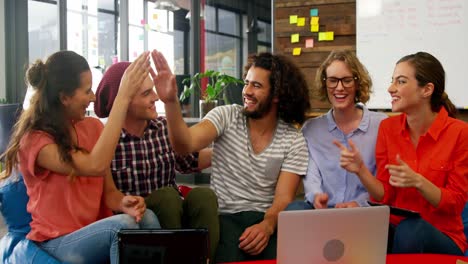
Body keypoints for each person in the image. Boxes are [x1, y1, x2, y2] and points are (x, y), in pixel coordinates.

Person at [0, 50, 161, 264]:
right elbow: (94, 165)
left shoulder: (93, 127)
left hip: (93, 232)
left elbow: (110, 193)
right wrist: (122, 97)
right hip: (56, 242)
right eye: (87, 91)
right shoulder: (36, 142)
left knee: (147, 218)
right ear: (64, 97)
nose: (93, 97)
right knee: (122, 227)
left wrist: (124, 202)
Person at [150, 50, 311, 262]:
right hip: (224, 218)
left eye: (257, 85)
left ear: (277, 95)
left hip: (265, 220)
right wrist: (171, 102)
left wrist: (267, 225)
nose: (247, 91)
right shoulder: (226, 116)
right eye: (247, 83)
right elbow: (185, 145)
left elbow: (283, 198)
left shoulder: (293, 139)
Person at [335, 51, 468, 255]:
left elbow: (455, 204)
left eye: (401, 81)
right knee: (354, 227)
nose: (391, 88)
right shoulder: (388, 128)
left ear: (427, 90)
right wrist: (360, 170)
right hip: (395, 229)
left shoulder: (460, 133)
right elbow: (384, 195)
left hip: (443, 237)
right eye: (392, 81)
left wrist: (418, 182)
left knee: (410, 229)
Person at [93, 61, 219, 261]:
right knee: (166, 196)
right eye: (146, 94)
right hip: (137, 224)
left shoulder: (162, 127)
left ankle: (205, 260)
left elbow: (189, 160)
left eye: (153, 90)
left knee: (204, 196)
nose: (155, 97)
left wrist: (229, 150)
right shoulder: (105, 140)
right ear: (123, 101)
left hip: (173, 215)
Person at [286, 50, 387, 210]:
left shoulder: (382, 125)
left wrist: (360, 203)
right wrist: (317, 197)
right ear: (325, 83)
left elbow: (385, 186)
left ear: (357, 83)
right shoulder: (311, 130)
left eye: (347, 80)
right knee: (295, 209)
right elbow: (311, 177)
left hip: (365, 213)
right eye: (333, 80)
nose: (339, 88)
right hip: (323, 213)